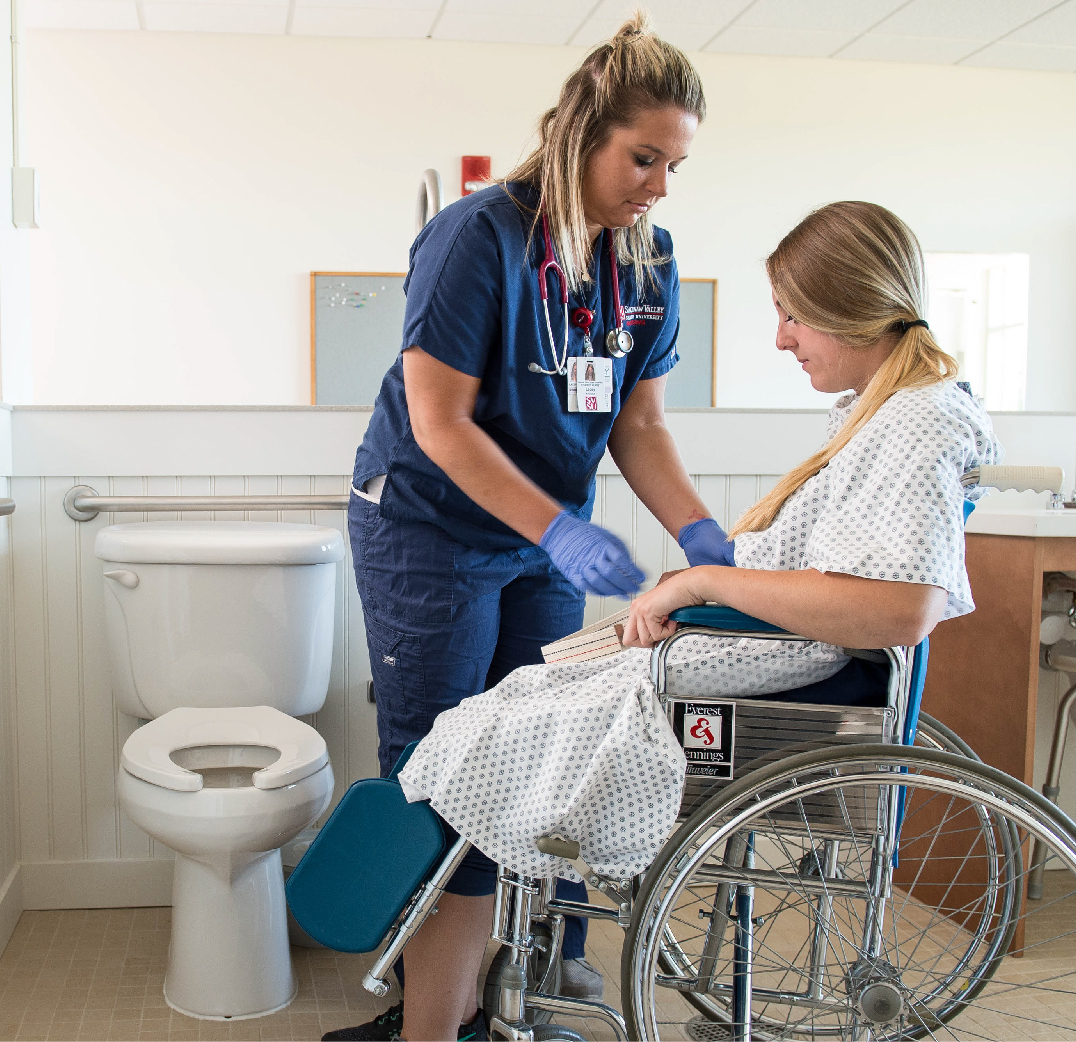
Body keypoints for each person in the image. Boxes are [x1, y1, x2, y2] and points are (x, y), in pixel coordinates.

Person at [396, 200, 1002, 1032]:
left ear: (846, 307)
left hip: (767, 666)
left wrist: (703, 582)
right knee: (512, 705)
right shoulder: (886, 411)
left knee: (482, 731)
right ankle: (482, 980)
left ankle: (447, 1005)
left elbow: (897, 608)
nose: (781, 340)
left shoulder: (915, 421)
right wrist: (700, 579)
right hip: (746, 650)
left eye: (791, 316)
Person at [329, 14, 724, 1042]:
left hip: (540, 537)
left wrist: (701, 537)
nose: (658, 186)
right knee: (440, 768)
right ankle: (433, 1021)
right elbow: (440, 423)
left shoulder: (647, 261)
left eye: (674, 165)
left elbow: (639, 424)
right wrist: (558, 532)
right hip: (428, 531)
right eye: (643, 157)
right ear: (582, 131)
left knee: (529, 764)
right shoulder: (476, 237)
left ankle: (474, 1002)